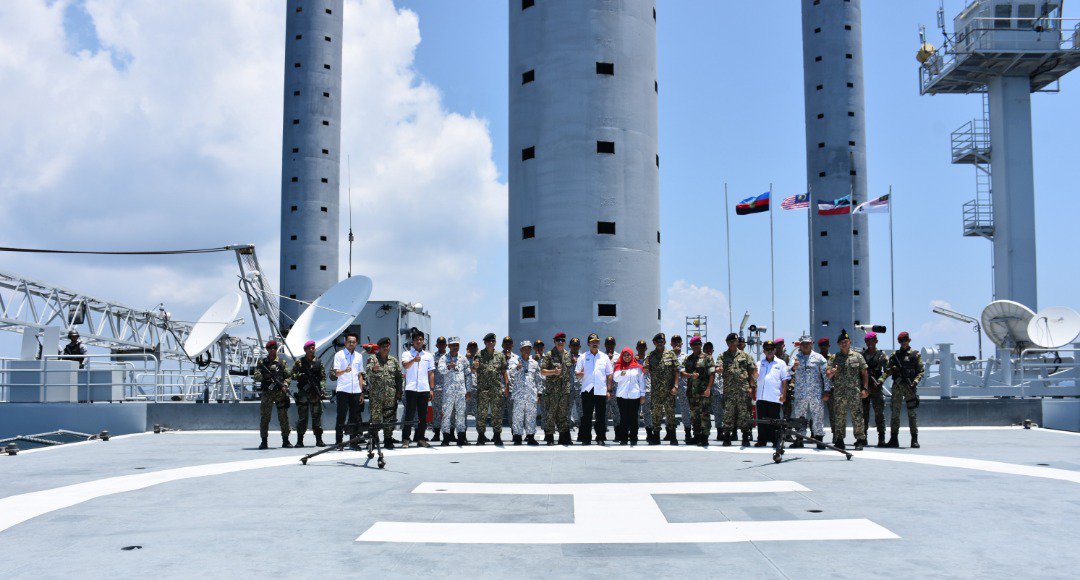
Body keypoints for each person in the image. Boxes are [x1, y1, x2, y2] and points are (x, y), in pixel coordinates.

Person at [825, 329, 869, 450]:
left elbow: (864, 373)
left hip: (855, 392)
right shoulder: (834, 358)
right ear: (839, 344)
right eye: (841, 342)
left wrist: (865, 388)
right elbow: (828, 374)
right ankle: (839, 439)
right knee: (839, 416)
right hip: (840, 393)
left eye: (846, 341)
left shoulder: (857, 356)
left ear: (849, 342)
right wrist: (832, 372)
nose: (844, 344)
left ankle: (860, 439)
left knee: (857, 416)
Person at [788, 335, 831, 449]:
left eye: (807, 343)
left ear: (811, 344)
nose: (805, 345)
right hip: (800, 393)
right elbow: (788, 373)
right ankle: (799, 439)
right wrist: (793, 368)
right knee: (800, 417)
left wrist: (827, 390)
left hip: (816, 393)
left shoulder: (819, 358)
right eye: (803, 343)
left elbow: (826, 376)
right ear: (800, 345)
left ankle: (819, 439)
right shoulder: (795, 357)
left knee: (817, 416)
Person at [886, 331, 924, 448]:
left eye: (905, 340)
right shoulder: (895, 355)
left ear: (909, 340)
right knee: (895, 414)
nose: (903, 342)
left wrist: (915, 382)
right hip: (897, 387)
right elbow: (888, 370)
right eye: (901, 341)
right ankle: (893, 439)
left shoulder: (915, 354)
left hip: (910, 387)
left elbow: (921, 371)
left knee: (912, 414)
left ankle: (914, 439)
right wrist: (892, 369)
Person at [575, 333, 614, 445]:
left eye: (596, 341)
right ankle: (586, 438)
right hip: (587, 390)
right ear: (588, 343)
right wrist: (579, 374)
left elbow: (609, 374)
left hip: (601, 390)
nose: (595, 343)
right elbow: (577, 372)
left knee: (601, 416)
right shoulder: (582, 357)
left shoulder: (604, 357)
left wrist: (609, 390)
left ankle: (600, 437)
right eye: (592, 341)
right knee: (586, 416)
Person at [720, 332, 757, 446]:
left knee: (744, 413)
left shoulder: (746, 356)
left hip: (743, 390)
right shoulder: (722, 356)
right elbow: (719, 366)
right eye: (730, 342)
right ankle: (727, 436)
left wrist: (752, 388)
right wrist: (719, 368)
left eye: (734, 341)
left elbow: (752, 372)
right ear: (727, 343)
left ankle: (745, 436)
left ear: (737, 342)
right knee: (728, 414)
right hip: (729, 390)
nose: (732, 344)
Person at [365, 337, 403, 449]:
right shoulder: (373, 359)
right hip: (376, 396)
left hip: (390, 396)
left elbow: (399, 377)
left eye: (387, 346)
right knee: (375, 419)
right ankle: (374, 440)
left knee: (389, 419)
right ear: (379, 348)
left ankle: (388, 439)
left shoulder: (393, 360)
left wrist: (399, 392)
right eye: (383, 346)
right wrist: (373, 370)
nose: (385, 348)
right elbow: (367, 374)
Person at [253, 340, 291, 450]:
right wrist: (265, 377)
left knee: (283, 417)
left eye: (275, 347)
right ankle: (264, 441)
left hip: (279, 392)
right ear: (267, 349)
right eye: (270, 348)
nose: (273, 350)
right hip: (267, 393)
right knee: (265, 417)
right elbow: (256, 375)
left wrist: (284, 384)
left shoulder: (282, 362)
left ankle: (286, 440)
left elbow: (288, 376)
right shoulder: (262, 362)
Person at [401, 330, 435, 449]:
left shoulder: (428, 355)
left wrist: (431, 389)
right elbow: (405, 366)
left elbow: (431, 373)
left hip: (424, 389)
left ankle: (420, 438)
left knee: (422, 416)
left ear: (423, 341)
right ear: (413, 341)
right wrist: (413, 360)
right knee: (409, 415)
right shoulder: (407, 354)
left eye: (421, 339)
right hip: (411, 389)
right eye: (416, 340)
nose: (419, 341)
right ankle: (405, 439)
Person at [473, 333, 509, 445]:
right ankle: (481, 436)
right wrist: (475, 366)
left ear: (495, 342)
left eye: (493, 341)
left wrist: (507, 386)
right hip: (483, 389)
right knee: (481, 413)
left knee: (497, 413)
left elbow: (504, 371)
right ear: (485, 343)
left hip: (496, 389)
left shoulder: (500, 355)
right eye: (489, 341)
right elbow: (474, 369)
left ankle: (497, 436)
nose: (491, 343)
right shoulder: (479, 355)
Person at [644, 333, 679, 445]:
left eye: (662, 341)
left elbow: (676, 371)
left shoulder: (671, 354)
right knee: (656, 414)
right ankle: (656, 437)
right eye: (657, 342)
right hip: (656, 391)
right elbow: (645, 369)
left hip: (669, 390)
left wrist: (676, 386)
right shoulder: (650, 355)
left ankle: (673, 437)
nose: (660, 343)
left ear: (664, 342)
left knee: (670, 414)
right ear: (654, 343)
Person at [681, 336, 716, 447]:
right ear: (690, 346)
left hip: (703, 391)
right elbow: (683, 373)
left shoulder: (707, 358)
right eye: (693, 344)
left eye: (698, 344)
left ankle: (704, 437)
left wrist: (709, 389)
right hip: (692, 392)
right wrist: (691, 375)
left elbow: (712, 374)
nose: (696, 346)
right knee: (694, 415)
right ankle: (696, 436)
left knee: (704, 415)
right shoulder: (689, 359)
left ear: (701, 345)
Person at [540, 332, 574, 445]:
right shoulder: (549, 354)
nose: (560, 342)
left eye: (562, 340)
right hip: (552, 391)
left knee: (563, 414)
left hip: (564, 390)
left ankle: (563, 437)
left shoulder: (568, 355)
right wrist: (553, 372)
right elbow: (542, 371)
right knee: (551, 414)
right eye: (558, 340)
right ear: (554, 341)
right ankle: (549, 437)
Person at [755, 341, 790, 449]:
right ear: (764, 351)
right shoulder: (759, 364)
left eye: (771, 349)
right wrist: (753, 376)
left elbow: (785, 380)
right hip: (761, 397)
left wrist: (784, 395)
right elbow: (754, 379)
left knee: (775, 421)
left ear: (775, 350)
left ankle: (776, 440)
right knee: (761, 421)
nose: (769, 351)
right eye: (767, 349)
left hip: (775, 397)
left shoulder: (781, 363)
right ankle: (762, 440)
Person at [292, 340, 327, 448]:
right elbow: (292, 374)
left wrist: (322, 388)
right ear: (306, 350)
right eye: (310, 348)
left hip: (315, 394)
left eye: (313, 347)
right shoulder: (300, 362)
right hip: (303, 394)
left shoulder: (318, 362)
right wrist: (300, 376)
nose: (312, 350)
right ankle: (300, 440)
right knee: (302, 418)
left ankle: (319, 439)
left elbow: (323, 377)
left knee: (316, 417)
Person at [331, 334, 363, 447]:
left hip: (355, 391)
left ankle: (353, 441)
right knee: (341, 416)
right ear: (345, 343)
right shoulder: (339, 355)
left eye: (353, 342)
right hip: (343, 390)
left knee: (354, 417)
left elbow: (360, 375)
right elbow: (336, 373)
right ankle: (339, 441)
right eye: (349, 341)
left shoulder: (359, 356)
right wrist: (345, 370)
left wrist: (361, 392)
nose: (351, 344)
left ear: (356, 343)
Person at [438, 337, 470, 446]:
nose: (454, 347)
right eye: (452, 345)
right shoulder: (444, 358)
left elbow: (468, 375)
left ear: (459, 346)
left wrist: (468, 390)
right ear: (448, 346)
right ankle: (446, 437)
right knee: (446, 414)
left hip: (461, 392)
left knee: (461, 414)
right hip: (448, 392)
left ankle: (461, 437)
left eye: (456, 345)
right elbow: (440, 370)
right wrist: (448, 366)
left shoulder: (463, 359)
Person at [510, 341, 542, 445]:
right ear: (520, 350)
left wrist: (539, 393)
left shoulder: (534, 363)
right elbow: (510, 373)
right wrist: (517, 368)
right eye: (525, 348)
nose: (527, 350)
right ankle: (518, 437)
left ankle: (531, 436)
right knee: (518, 417)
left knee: (531, 416)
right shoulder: (514, 361)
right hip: (519, 395)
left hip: (531, 394)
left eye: (529, 348)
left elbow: (538, 379)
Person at [860, 332, 889, 447]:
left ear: (876, 341)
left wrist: (881, 380)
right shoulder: (861, 355)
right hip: (865, 388)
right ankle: (863, 437)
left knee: (879, 414)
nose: (870, 343)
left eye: (872, 341)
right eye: (867, 341)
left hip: (876, 387)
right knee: (863, 414)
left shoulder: (882, 356)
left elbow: (888, 370)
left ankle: (881, 438)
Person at [613, 347, 646, 445]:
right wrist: (622, 373)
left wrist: (642, 395)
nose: (626, 357)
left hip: (634, 396)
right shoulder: (619, 366)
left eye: (628, 355)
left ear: (631, 356)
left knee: (634, 418)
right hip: (622, 396)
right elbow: (616, 379)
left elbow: (642, 381)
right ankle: (623, 438)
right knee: (623, 418)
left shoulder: (638, 367)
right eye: (625, 355)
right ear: (622, 356)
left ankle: (633, 438)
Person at [671, 335, 693, 443]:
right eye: (674, 342)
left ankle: (687, 433)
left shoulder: (687, 357)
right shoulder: (667, 356)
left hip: (684, 386)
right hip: (671, 386)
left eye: (678, 342)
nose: (676, 344)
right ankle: (670, 433)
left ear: (682, 344)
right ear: (671, 344)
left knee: (685, 410)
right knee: (669, 410)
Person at [430, 336, 448, 443]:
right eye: (439, 344)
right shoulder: (432, 357)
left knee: (448, 412)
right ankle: (436, 434)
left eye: (443, 344)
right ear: (436, 345)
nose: (441, 345)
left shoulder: (450, 356)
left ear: (446, 345)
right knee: (436, 412)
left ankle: (449, 434)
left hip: (448, 389)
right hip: (436, 388)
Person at [635, 339, 652, 439]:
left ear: (646, 348)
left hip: (647, 388)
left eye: (643, 347)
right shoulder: (633, 360)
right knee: (635, 413)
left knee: (647, 412)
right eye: (639, 347)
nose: (641, 348)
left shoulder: (650, 359)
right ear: (637, 348)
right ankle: (634, 433)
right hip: (636, 389)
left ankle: (649, 433)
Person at [604, 336, 621, 433]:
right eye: (608, 343)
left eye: (612, 343)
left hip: (616, 389)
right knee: (604, 411)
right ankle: (602, 433)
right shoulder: (601, 356)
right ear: (605, 345)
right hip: (603, 388)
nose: (610, 345)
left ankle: (618, 432)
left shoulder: (619, 357)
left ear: (614, 345)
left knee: (616, 411)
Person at [568, 337, 584, 438]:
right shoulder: (564, 357)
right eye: (573, 345)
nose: (575, 347)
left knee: (581, 411)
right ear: (569, 346)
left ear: (579, 346)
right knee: (566, 412)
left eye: (576, 345)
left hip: (580, 388)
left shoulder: (583, 357)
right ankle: (566, 435)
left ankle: (581, 434)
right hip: (568, 388)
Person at [775, 338, 794, 420]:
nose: (779, 347)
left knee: (787, 412)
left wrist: (792, 385)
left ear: (783, 346)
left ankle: (787, 430)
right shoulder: (772, 357)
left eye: (780, 345)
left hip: (786, 388)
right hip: (775, 388)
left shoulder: (788, 358)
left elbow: (792, 373)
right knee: (775, 411)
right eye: (777, 346)